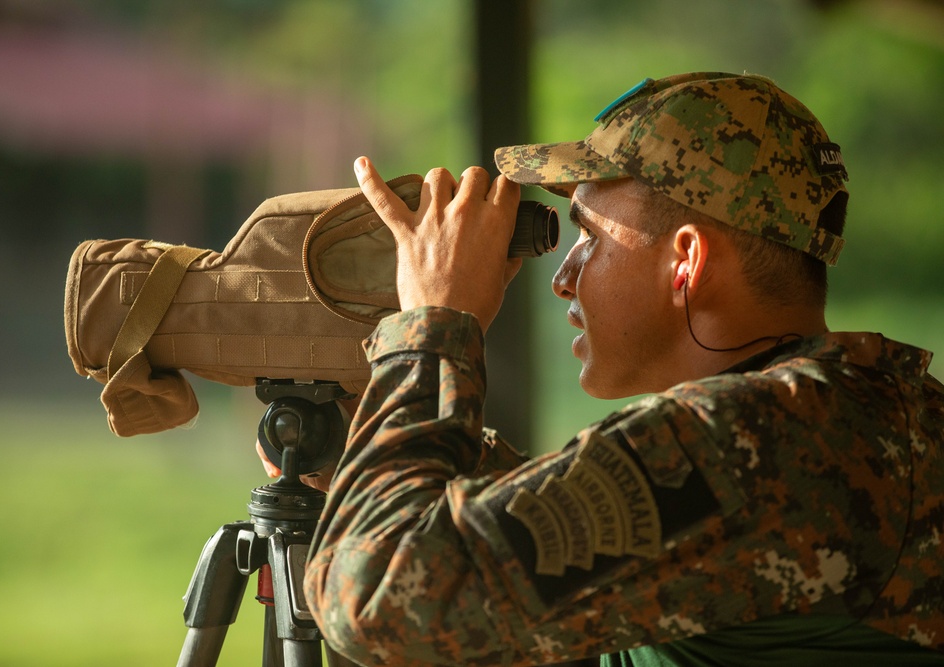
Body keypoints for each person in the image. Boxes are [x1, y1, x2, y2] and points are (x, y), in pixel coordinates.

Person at [259, 72, 944, 665]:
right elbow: (557, 591)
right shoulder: (833, 421)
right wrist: (368, 448)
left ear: (686, 260)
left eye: (588, 234)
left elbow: (377, 598)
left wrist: (433, 326)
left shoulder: (765, 439)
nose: (563, 277)